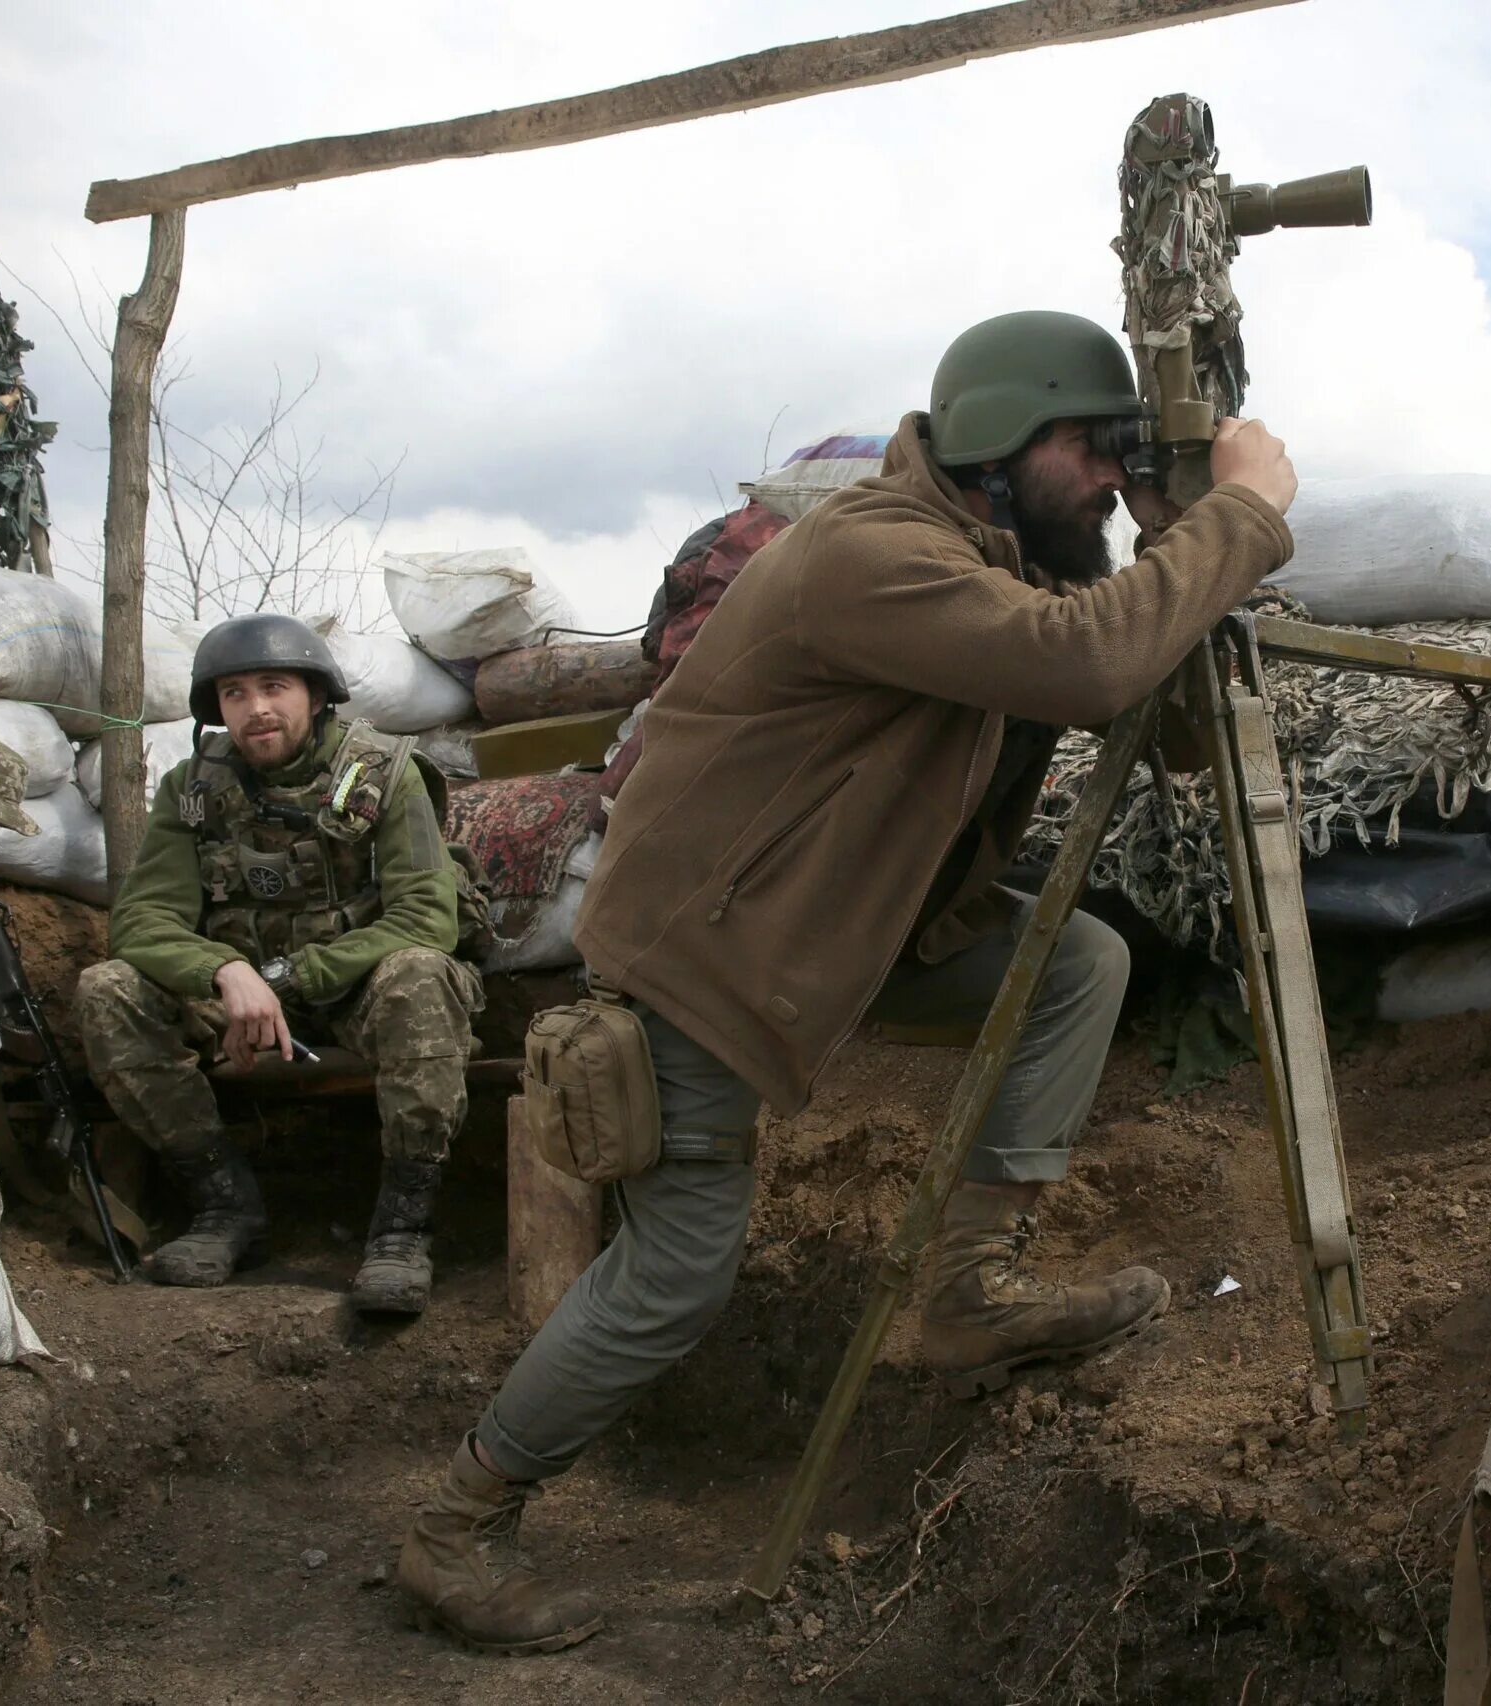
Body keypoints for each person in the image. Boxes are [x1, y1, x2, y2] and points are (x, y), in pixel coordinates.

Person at [392, 309, 1299, 1653]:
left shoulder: (999, 571)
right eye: (1089, 450)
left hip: (835, 942)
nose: (1108, 480)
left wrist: (1176, 529)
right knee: (675, 1279)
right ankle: (456, 1525)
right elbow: (1091, 659)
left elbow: (1143, 710)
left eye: (1122, 458)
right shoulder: (877, 556)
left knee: (1075, 962)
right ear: (1001, 440)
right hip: (712, 956)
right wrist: (1247, 516)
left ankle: (966, 1288)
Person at [75, 614, 482, 1315]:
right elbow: (142, 922)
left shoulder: (384, 774)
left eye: (274, 686)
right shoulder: (192, 790)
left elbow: (426, 918)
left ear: (316, 696)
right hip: (241, 997)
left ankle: (401, 1230)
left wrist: (286, 980)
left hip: (354, 989)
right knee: (107, 990)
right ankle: (224, 1207)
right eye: (235, 693)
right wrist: (225, 973)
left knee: (420, 973)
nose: (256, 707)